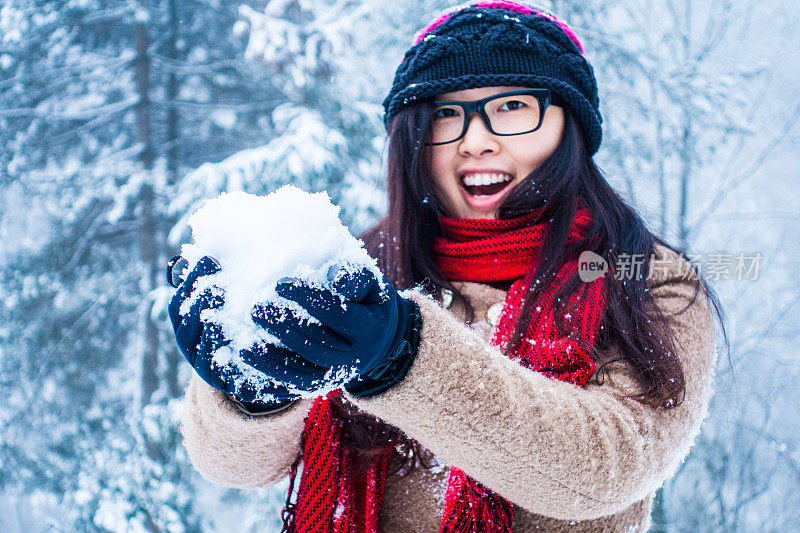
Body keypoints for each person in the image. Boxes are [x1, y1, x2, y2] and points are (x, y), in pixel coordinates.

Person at [167, 2, 726, 531]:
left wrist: (404, 357)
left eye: (512, 107)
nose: (475, 142)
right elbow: (235, 468)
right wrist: (251, 392)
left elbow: (608, 467)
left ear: (569, 128)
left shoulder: (648, 281)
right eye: (445, 115)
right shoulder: (362, 273)